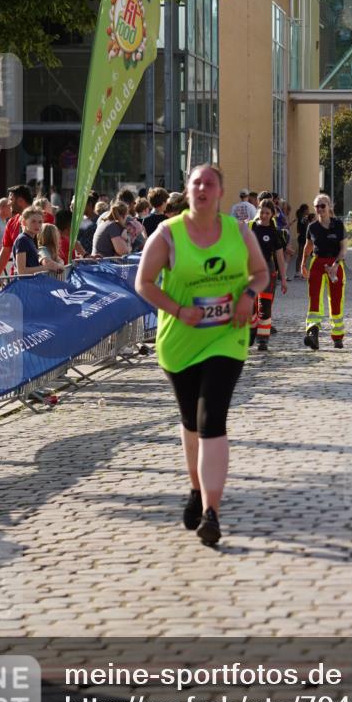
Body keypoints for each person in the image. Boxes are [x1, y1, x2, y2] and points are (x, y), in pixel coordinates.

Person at [136, 163, 268, 547]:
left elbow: (260, 274)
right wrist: (178, 310)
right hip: (180, 340)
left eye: (209, 183)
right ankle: (196, 489)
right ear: (188, 191)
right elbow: (143, 282)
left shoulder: (238, 231)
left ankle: (212, 511)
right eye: (196, 183)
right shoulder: (168, 234)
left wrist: (247, 296)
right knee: (191, 422)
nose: (202, 189)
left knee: (213, 418)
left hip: (227, 337)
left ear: (221, 192)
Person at [302, 193, 347, 350]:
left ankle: (337, 336)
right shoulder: (312, 227)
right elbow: (308, 247)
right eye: (317, 206)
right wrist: (303, 263)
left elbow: (343, 249)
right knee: (314, 298)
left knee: (336, 299)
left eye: (322, 206)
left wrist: (335, 264)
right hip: (317, 263)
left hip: (335, 264)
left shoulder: (338, 225)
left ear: (329, 207)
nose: (319, 209)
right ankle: (313, 333)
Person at [248, 198, 287, 351]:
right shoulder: (250, 227)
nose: (263, 215)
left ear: (272, 214)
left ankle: (263, 339)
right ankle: (251, 329)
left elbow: (279, 257)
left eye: (267, 213)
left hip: (267, 270)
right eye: (261, 212)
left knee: (264, 304)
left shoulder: (275, 233)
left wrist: (283, 279)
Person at [0, 184, 33, 276]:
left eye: (11, 199)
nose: (8, 203)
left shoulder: (40, 221)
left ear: (20, 201)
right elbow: (5, 251)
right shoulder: (11, 222)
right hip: (16, 279)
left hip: (37, 281)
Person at [293, 203, 310, 279]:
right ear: (305, 210)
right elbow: (306, 229)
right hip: (303, 238)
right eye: (307, 209)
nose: (309, 211)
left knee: (302, 255)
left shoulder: (301, 218)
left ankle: (301, 272)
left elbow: (298, 230)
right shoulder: (304, 219)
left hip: (302, 237)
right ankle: (299, 272)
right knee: (302, 255)